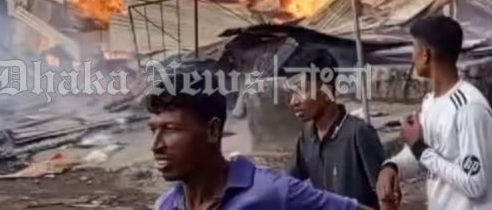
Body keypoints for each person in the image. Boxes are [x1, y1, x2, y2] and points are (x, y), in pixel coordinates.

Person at [149, 59, 370, 210]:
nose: (156, 145)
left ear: (214, 130)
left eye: (170, 129)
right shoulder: (166, 205)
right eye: (153, 129)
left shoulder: (270, 192)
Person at [376, 16, 492, 210]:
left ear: (425, 54)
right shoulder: (430, 103)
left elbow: (475, 184)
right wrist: (392, 167)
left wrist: (419, 148)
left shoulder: (469, 108)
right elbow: (421, 157)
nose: (411, 58)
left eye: (413, 50)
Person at [288, 50, 386, 208]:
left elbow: (386, 195)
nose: (293, 101)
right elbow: (289, 183)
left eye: (300, 91)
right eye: (292, 93)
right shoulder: (307, 136)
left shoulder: (359, 134)